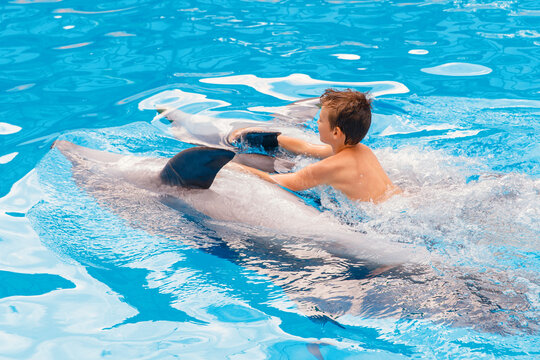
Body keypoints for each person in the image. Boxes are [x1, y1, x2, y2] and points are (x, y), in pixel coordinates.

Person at [231, 88, 401, 203]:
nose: (317, 122)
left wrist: (230, 166)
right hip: (398, 202)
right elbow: (308, 148)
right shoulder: (363, 150)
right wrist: (276, 139)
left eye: (320, 120)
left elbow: (281, 181)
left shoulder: (330, 167)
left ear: (336, 133)